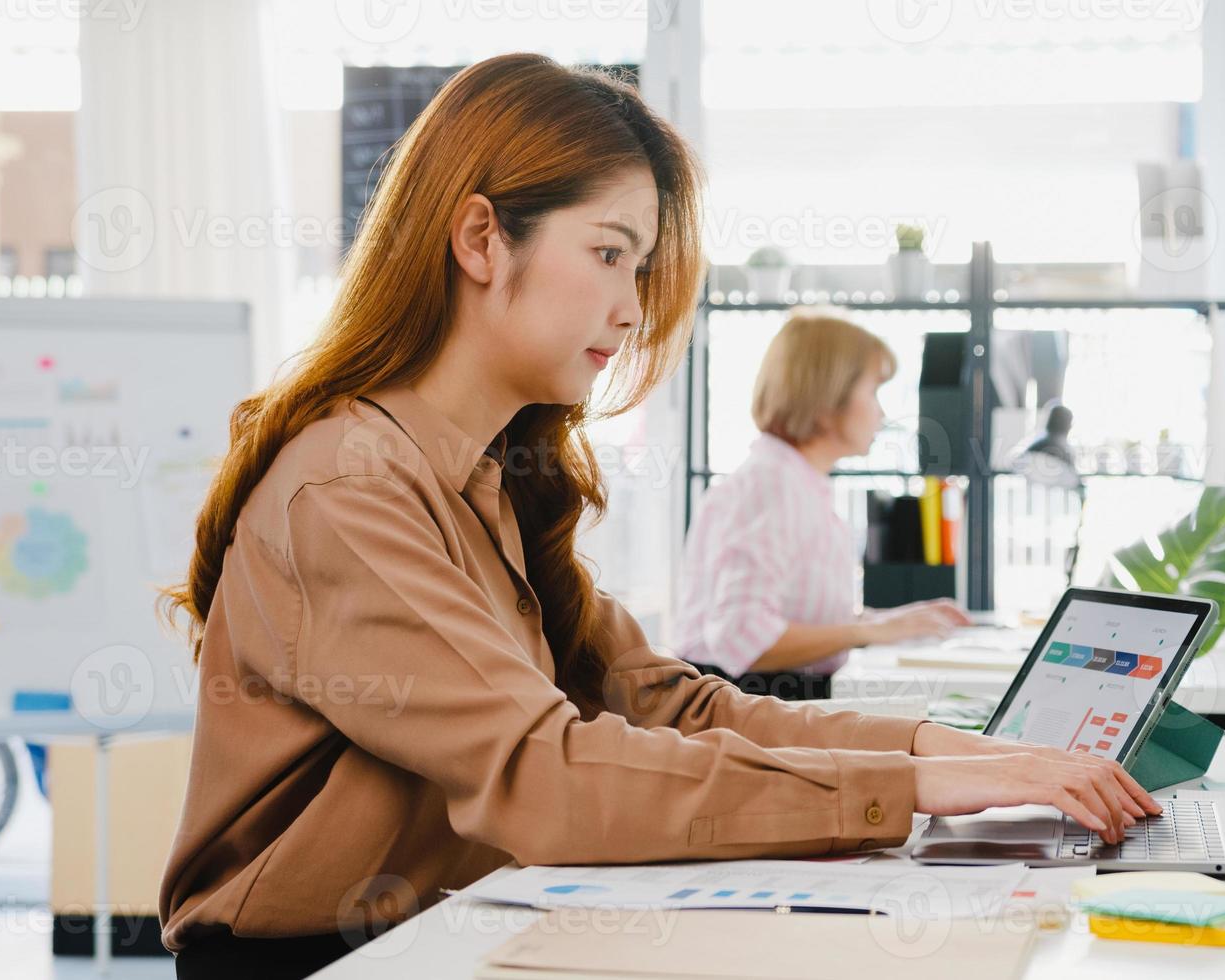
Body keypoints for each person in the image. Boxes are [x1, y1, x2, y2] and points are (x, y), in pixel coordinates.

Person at [156, 54, 1157, 980]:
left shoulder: (484, 480)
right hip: (316, 958)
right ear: (477, 238)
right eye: (608, 254)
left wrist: (958, 755)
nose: (633, 309)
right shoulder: (350, 488)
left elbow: (677, 705)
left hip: (446, 924)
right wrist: (908, 789)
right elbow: (544, 773)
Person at [675, 311, 970, 699]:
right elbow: (743, 636)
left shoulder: (796, 481)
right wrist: (869, 632)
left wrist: (892, 621)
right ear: (827, 398)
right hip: (746, 703)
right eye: (873, 392)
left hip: (769, 698)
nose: (881, 412)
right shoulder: (773, 486)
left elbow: (793, 616)